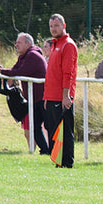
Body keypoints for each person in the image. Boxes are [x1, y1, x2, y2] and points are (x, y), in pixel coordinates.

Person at [0, 32, 47, 154]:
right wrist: (0, 71)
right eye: (16, 42)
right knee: (35, 126)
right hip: (35, 98)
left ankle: (52, 150)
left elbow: (20, 72)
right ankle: (45, 150)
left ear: (28, 44)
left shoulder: (32, 55)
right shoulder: (24, 56)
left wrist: (0, 71)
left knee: (46, 125)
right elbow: (14, 70)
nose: (16, 45)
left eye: (19, 43)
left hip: (42, 98)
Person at [42, 14, 78, 168]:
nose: (53, 29)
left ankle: (66, 163)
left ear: (64, 26)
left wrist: (66, 96)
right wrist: (46, 97)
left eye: (56, 26)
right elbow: (51, 73)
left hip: (61, 97)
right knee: (53, 131)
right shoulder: (54, 44)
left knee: (64, 131)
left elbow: (68, 73)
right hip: (51, 97)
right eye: (51, 26)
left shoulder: (67, 45)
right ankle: (58, 161)